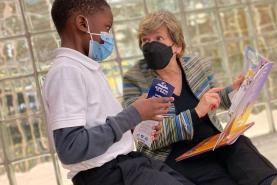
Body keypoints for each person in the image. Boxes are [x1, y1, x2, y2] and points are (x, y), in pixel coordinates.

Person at [123, 10, 277, 185]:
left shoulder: (196, 65)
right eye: (145, 41)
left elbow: (214, 98)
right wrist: (196, 113)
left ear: (177, 46)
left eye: (158, 38)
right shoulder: (135, 79)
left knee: (241, 148)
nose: (150, 45)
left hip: (211, 142)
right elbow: (148, 139)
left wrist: (235, 91)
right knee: (220, 177)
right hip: (174, 156)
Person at [42, 1, 195, 185]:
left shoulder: (84, 68)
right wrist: (133, 114)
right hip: (108, 173)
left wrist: (138, 122)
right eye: (106, 28)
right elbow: (71, 148)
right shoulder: (67, 71)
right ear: (83, 24)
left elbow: (101, 125)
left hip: (127, 164)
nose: (108, 37)